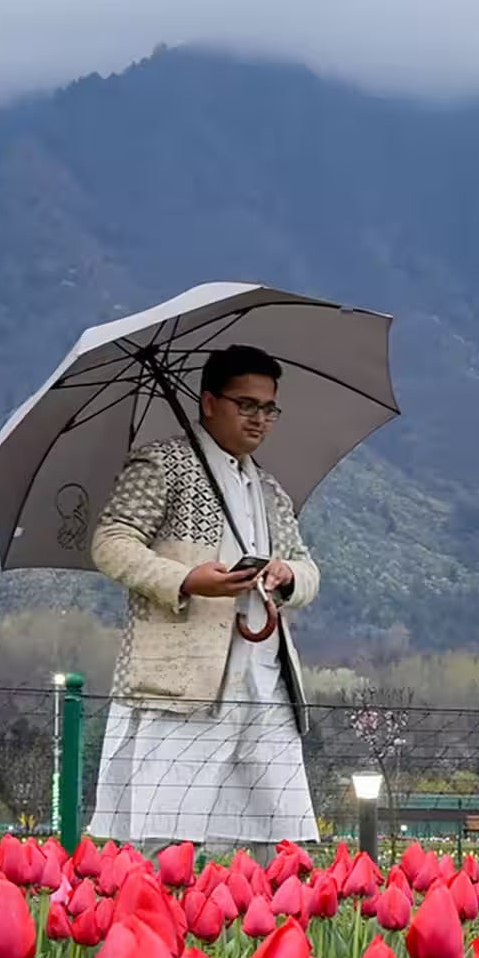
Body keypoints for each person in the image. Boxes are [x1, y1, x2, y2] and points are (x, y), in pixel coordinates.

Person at [83, 345, 322, 842]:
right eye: (246, 404)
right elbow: (111, 541)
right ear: (209, 401)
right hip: (183, 677)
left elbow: (308, 567)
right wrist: (187, 579)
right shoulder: (162, 464)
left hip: (264, 676)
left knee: (278, 836)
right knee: (163, 831)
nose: (259, 419)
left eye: (268, 408)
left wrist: (287, 575)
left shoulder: (269, 488)